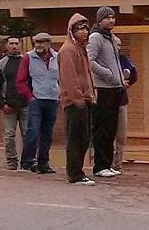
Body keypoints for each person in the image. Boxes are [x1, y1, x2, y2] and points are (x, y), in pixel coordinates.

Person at [58, 14, 97, 186]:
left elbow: (87, 75)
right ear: (72, 31)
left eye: (86, 28)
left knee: (84, 137)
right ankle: (74, 174)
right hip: (74, 102)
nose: (84, 32)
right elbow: (69, 79)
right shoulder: (68, 50)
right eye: (80, 28)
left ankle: (78, 171)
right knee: (75, 138)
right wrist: (78, 100)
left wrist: (91, 96)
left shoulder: (81, 49)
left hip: (85, 99)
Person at [87, 6, 124, 178]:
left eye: (113, 17)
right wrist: (108, 74)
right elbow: (89, 60)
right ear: (99, 20)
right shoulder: (96, 38)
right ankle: (99, 166)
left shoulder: (110, 39)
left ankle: (107, 164)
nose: (111, 20)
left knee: (111, 128)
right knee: (102, 128)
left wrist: (121, 75)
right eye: (107, 17)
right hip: (103, 89)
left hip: (115, 88)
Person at [15, 32, 60, 174]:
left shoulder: (57, 57)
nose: (39, 45)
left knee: (47, 132)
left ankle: (43, 162)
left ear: (48, 43)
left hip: (53, 99)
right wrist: (30, 96)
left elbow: (62, 77)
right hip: (36, 99)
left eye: (42, 42)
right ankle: (27, 161)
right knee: (33, 130)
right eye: (36, 42)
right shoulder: (28, 57)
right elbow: (20, 81)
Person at [0, 36, 28, 170]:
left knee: (29, 134)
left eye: (16, 43)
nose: (14, 46)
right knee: (9, 136)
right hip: (9, 106)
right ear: (6, 46)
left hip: (26, 104)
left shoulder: (27, 61)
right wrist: (2, 105)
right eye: (11, 43)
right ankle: (12, 162)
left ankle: (28, 161)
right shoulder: (1, 65)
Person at [112, 35, 137, 172]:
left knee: (121, 134)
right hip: (106, 101)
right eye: (116, 45)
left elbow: (133, 74)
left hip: (121, 101)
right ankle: (106, 163)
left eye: (120, 45)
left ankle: (117, 163)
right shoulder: (103, 59)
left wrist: (126, 83)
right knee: (107, 133)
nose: (118, 48)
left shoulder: (123, 59)